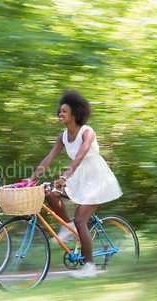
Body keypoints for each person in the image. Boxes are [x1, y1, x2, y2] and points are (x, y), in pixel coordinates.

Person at [23, 90, 122, 278]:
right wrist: (31, 178)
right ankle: (68, 226)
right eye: (59, 112)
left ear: (75, 114)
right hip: (79, 179)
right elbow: (48, 159)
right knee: (48, 191)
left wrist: (65, 177)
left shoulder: (87, 131)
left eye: (64, 111)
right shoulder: (63, 137)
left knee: (81, 220)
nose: (60, 114)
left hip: (97, 178)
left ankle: (89, 267)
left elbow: (80, 156)